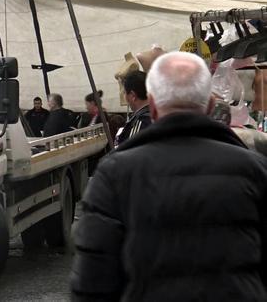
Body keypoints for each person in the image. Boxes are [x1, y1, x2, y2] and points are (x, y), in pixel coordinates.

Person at [71, 51, 267, 301]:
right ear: (208, 106)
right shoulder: (255, 170)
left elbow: (92, 281)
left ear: (152, 106)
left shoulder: (114, 174)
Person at [115, 70, 151, 146]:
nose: (124, 97)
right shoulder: (161, 114)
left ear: (133, 96)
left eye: (124, 93)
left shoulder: (140, 123)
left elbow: (128, 154)